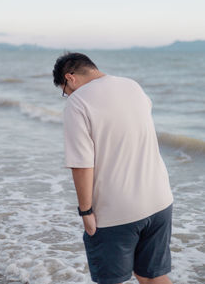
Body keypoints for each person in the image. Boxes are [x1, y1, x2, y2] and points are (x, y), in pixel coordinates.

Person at [52, 52, 174, 284]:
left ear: (70, 78)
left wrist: (86, 212)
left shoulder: (77, 103)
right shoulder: (132, 86)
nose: (68, 96)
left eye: (65, 91)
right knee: (152, 276)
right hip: (160, 200)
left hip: (117, 211)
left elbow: (81, 165)